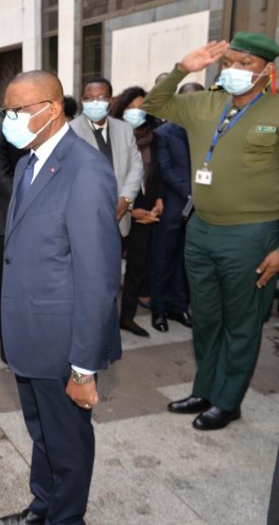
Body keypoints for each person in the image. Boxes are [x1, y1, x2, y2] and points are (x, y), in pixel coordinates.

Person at [0, 70, 121, 525]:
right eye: (5, 110)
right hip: (30, 337)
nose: (9, 119)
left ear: (51, 109)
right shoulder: (30, 159)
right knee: (42, 434)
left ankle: (66, 518)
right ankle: (42, 507)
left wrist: (83, 367)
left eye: (18, 110)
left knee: (67, 444)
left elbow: (99, 278)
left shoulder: (86, 171)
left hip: (62, 344)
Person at [141, 32, 279, 431]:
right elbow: (154, 105)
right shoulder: (205, 103)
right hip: (200, 230)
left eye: (246, 65)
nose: (235, 70)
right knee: (205, 318)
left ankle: (229, 399)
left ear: (267, 70)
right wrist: (184, 68)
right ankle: (205, 388)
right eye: (230, 63)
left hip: (252, 235)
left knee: (242, 322)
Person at [110, 87, 164, 337]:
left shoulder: (155, 138)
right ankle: (106, 320)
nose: (135, 112)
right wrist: (131, 210)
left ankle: (127, 317)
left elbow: (158, 173)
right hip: (118, 211)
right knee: (108, 270)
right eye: (130, 107)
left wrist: (159, 199)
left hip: (147, 212)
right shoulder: (112, 138)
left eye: (140, 107)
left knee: (136, 267)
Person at [151, 83, 204, 332]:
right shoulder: (164, 132)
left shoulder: (207, 131)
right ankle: (159, 309)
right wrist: (191, 192)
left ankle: (179, 306)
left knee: (186, 261)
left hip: (200, 210)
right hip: (173, 205)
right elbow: (166, 169)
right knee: (163, 260)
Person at [70, 77, 144, 238]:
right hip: (85, 220)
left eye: (101, 97)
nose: (95, 102)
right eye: (89, 98)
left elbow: (136, 165)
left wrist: (126, 198)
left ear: (110, 101)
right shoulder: (70, 131)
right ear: (82, 101)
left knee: (115, 261)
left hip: (120, 217)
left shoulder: (124, 128)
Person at [0, 116, 28, 362]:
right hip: (10, 219)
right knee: (11, 289)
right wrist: (37, 201)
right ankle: (8, 348)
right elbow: (1, 179)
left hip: (43, 223)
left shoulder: (50, 126)